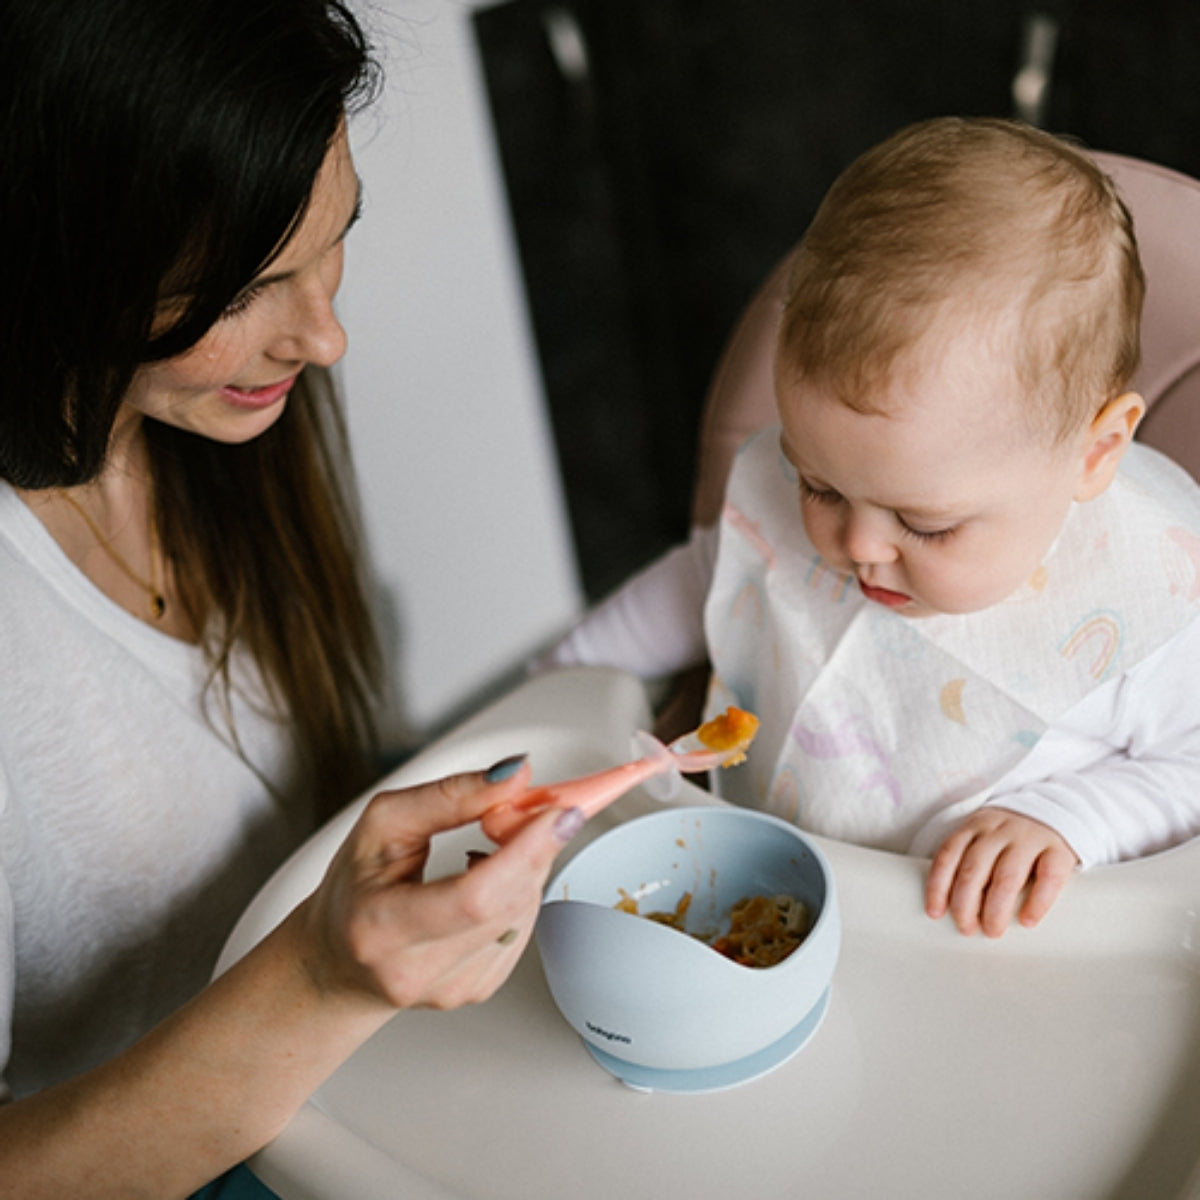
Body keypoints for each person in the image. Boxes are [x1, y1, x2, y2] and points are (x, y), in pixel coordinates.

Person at [0, 1, 583, 1195]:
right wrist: (319, 981)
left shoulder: (196, 428)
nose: (325, 338)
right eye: (245, 290)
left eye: (335, 238)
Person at [540, 117, 1200, 939]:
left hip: (980, 945)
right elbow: (714, 573)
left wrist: (1073, 819)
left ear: (1095, 453)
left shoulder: (1153, 597)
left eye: (926, 525)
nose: (856, 546)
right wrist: (561, 683)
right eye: (819, 486)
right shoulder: (821, 497)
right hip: (770, 899)